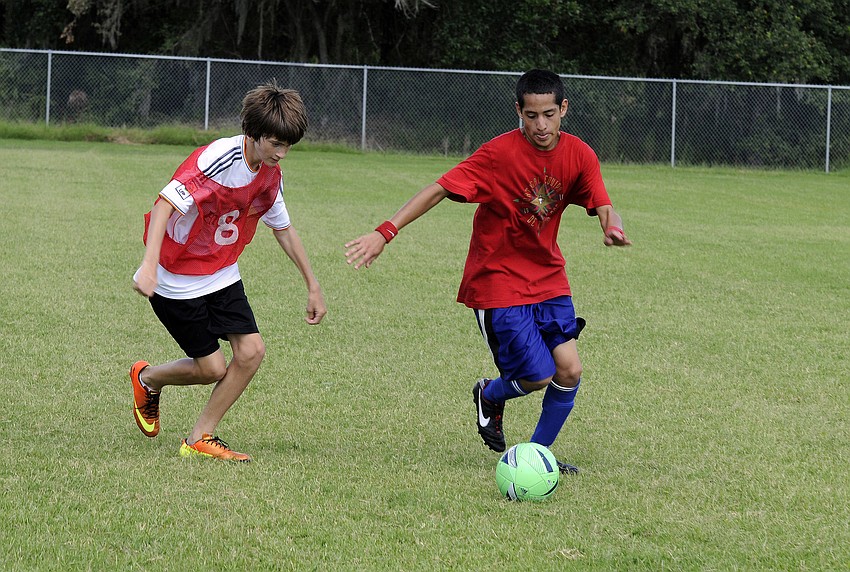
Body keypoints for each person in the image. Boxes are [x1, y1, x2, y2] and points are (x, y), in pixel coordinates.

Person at [344, 69, 630, 474]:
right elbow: (439, 188)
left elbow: (603, 203)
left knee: (569, 369)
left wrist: (611, 226)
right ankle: (490, 394)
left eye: (549, 114)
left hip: (549, 278)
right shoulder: (498, 154)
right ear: (519, 111)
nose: (541, 125)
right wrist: (385, 232)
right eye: (531, 115)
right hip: (497, 280)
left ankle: (535, 457)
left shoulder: (580, 154)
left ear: (564, 109)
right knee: (537, 376)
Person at [131, 82, 326, 462]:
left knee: (252, 352)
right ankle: (147, 378)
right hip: (176, 279)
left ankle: (200, 437)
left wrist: (312, 284)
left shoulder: (270, 171)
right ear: (252, 135)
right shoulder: (216, 160)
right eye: (276, 144)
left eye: (288, 146)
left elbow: (282, 228)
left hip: (221, 272)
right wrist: (150, 266)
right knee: (210, 368)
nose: (283, 154)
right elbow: (162, 207)